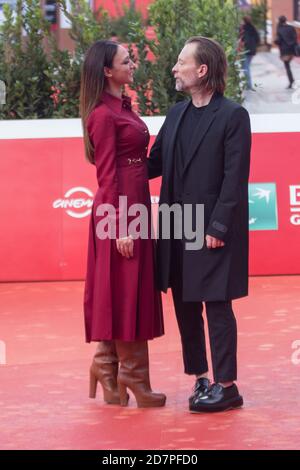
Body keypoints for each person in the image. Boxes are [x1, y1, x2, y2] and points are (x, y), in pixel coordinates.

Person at [147, 36, 251, 413]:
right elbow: (153, 163)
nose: (175, 68)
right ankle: (200, 379)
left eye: (181, 62)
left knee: (217, 306)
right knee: (185, 306)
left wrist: (219, 227)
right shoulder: (176, 114)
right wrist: (114, 161)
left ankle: (227, 386)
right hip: (177, 227)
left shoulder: (233, 115)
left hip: (211, 230)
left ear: (201, 70)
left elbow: (234, 179)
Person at [81, 40, 165, 408]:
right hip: (120, 213)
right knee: (125, 291)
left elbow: (136, 165)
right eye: (126, 61)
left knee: (120, 290)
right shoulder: (102, 114)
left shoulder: (123, 107)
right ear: (107, 71)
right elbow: (108, 176)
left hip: (136, 207)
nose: (133, 64)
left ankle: (106, 366)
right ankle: (132, 376)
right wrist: (120, 226)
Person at [275, 15, 298, 89]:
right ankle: (292, 82)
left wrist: (275, 42)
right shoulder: (291, 28)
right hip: (292, 49)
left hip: (284, 51)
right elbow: (295, 38)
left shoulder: (279, 29)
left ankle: (291, 82)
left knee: (287, 67)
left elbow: (278, 41)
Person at [240, 16, 260, 90]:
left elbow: (241, 39)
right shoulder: (253, 28)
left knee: (245, 67)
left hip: (246, 50)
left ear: (244, 21)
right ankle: (248, 84)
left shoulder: (243, 28)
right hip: (252, 50)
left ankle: (249, 85)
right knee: (246, 66)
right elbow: (258, 39)